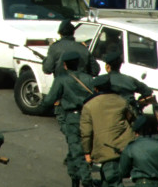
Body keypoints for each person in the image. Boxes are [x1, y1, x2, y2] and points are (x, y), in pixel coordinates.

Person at [33, 51, 95, 187]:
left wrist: (40, 107)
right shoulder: (89, 79)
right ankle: (74, 180)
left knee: (77, 152)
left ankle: (86, 181)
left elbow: (50, 99)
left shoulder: (61, 79)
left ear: (65, 65)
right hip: (89, 117)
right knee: (74, 151)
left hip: (72, 118)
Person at [81, 74, 137, 187]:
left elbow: (86, 133)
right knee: (108, 179)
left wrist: (87, 152)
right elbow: (133, 118)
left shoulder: (88, 106)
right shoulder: (121, 100)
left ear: (96, 89)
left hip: (106, 149)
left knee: (113, 179)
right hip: (125, 146)